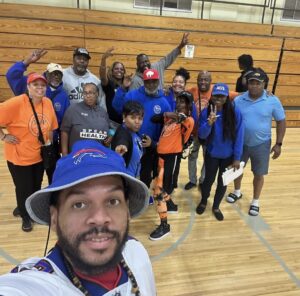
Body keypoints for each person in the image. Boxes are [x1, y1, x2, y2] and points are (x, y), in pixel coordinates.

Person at [0, 140, 156, 295]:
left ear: (127, 211)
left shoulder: (136, 251)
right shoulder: (37, 284)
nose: (100, 218)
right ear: (54, 218)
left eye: (113, 201)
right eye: (79, 204)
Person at [0, 73, 58, 232]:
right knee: (23, 187)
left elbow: (52, 126)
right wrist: (4, 136)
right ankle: (26, 216)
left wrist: (49, 146)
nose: (40, 88)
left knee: (36, 186)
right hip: (20, 156)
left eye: (42, 85)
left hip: (39, 156)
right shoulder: (16, 103)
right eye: (35, 85)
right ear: (28, 87)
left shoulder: (47, 103)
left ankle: (24, 207)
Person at [226, 68, 286, 216]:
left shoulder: (272, 100)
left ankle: (255, 201)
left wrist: (278, 144)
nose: (254, 86)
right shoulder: (239, 100)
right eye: (251, 83)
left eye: (257, 83)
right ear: (247, 84)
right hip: (240, 144)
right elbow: (230, 119)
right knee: (237, 169)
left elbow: (281, 121)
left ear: (264, 84)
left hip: (261, 144)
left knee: (258, 174)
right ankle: (237, 191)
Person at [5, 48, 70, 184]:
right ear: (46, 74)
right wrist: (26, 62)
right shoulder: (32, 86)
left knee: (54, 177)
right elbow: (11, 75)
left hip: (52, 145)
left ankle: (51, 200)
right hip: (29, 148)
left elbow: (64, 121)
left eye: (59, 74)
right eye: (53, 74)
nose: (56, 77)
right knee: (33, 181)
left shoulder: (64, 95)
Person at [112, 69, 172, 188]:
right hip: (131, 144)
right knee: (128, 172)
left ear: (158, 82)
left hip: (149, 147)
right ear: (143, 82)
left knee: (145, 175)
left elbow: (167, 128)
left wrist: (154, 143)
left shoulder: (164, 102)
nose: (151, 85)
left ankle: (142, 194)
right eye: (148, 82)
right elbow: (117, 107)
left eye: (153, 82)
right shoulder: (132, 95)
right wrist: (123, 88)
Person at [196, 83, 244, 221]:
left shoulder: (235, 112)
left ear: (227, 97)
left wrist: (237, 157)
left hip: (228, 156)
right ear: (212, 96)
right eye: (216, 95)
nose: (218, 98)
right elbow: (202, 135)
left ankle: (216, 206)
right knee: (207, 181)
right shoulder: (207, 111)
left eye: (222, 96)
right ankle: (204, 201)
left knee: (223, 183)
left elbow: (239, 136)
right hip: (212, 153)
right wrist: (209, 123)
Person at [150, 91, 194, 240]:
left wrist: (167, 113)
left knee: (159, 191)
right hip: (161, 157)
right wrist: (164, 115)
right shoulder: (170, 119)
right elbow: (155, 118)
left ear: (189, 105)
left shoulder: (188, 120)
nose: (180, 104)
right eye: (179, 101)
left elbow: (181, 117)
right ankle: (172, 206)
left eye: (184, 102)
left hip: (171, 158)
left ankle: (164, 226)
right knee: (161, 185)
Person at [185, 71, 239, 190]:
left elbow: (239, 95)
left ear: (211, 81)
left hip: (209, 133)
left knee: (207, 158)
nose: (203, 82)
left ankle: (203, 180)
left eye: (206, 79)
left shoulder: (217, 91)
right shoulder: (191, 91)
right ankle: (192, 180)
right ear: (197, 80)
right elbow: (178, 93)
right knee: (192, 156)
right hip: (194, 132)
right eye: (200, 79)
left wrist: (263, 93)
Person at [61, 82, 110, 155]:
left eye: (91, 93)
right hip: (76, 156)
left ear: (97, 94)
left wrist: (109, 139)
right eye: (85, 93)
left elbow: (107, 134)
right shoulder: (73, 109)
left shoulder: (103, 112)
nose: (88, 96)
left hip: (97, 157)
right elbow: (64, 132)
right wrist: (64, 156)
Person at [111, 101, 152, 177]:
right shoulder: (122, 132)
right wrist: (121, 146)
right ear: (124, 117)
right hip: (125, 180)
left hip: (133, 178)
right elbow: (122, 139)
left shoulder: (135, 133)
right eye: (133, 117)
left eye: (140, 118)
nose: (137, 122)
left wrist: (150, 144)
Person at [99, 47, 126, 127]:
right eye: (116, 69)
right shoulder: (109, 84)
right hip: (111, 123)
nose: (119, 71)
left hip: (125, 123)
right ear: (112, 71)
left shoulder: (127, 85)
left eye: (121, 69)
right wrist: (103, 59)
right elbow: (103, 76)